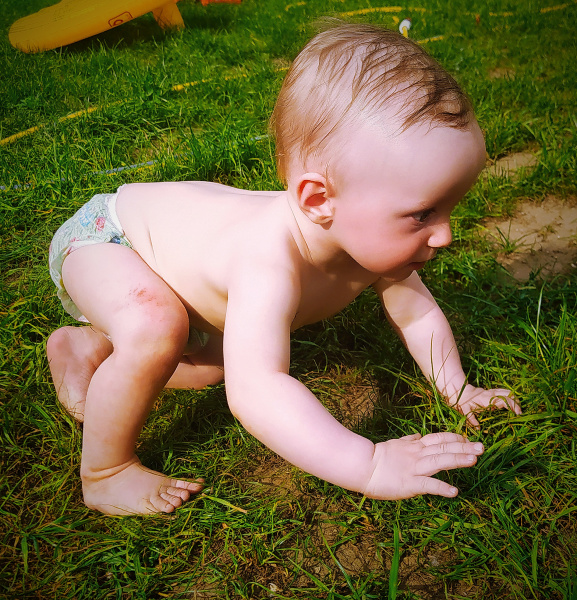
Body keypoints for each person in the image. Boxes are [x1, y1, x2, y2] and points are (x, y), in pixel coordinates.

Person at [46, 21, 521, 516]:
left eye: (450, 208)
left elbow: (417, 315)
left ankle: (88, 347)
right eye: (423, 214)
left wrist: (458, 388)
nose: (445, 235)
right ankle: (106, 472)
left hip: (176, 267)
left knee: (216, 366)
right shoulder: (268, 262)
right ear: (318, 200)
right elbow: (257, 391)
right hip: (110, 239)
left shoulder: (369, 240)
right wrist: (369, 463)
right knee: (156, 330)